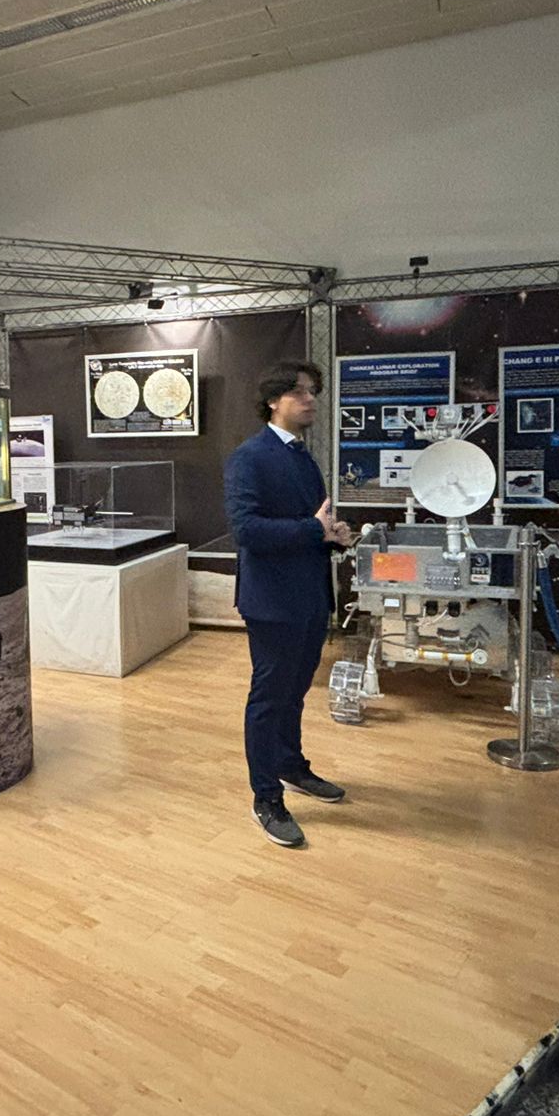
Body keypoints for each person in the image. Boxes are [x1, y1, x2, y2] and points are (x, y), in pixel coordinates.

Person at [224, 360, 353, 848]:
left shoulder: (303, 457)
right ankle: (266, 797)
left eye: (313, 390)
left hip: (310, 596)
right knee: (269, 699)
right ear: (273, 401)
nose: (311, 399)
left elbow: (311, 523)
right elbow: (247, 530)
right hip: (272, 602)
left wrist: (331, 535)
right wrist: (312, 529)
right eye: (300, 391)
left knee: (295, 693)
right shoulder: (249, 457)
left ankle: (290, 766)